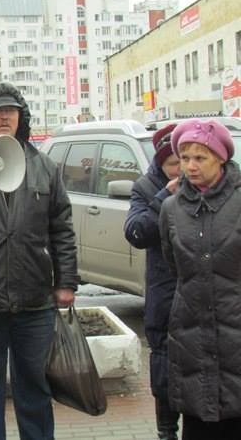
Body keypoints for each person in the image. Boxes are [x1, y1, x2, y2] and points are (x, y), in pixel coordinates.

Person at [0, 81, 79, 440]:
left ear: (22, 118)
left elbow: (62, 228)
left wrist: (66, 282)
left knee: (34, 385)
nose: (4, 117)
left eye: (11, 111)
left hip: (34, 299)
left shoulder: (45, 167)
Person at [159, 118, 241, 440]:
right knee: (199, 418)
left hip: (235, 330)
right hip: (191, 334)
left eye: (200, 158)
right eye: (184, 158)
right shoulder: (170, 209)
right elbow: (174, 266)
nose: (190, 166)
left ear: (220, 159)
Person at [124, 125, 181, 440]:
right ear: (160, 163)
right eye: (173, 162)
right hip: (164, 289)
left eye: (184, 160)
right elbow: (137, 233)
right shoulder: (146, 188)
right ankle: (166, 429)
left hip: (202, 291)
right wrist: (164, 197)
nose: (183, 168)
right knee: (164, 361)